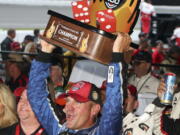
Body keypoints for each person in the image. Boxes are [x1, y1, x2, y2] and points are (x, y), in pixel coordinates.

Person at [27, 33, 131, 135]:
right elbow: (36, 96)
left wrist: (117, 57)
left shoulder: (102, 132)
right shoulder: (59, 129)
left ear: (94, 109)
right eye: (68, 101)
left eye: (77, 102)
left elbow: (113, 110)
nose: (67, 108)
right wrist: (44, 53)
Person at [128, 50, 160, 115]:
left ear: (148, 65)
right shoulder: (129, 80)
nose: (134, 65)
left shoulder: (157, 84)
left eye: (138, 63)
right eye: (133, 62)